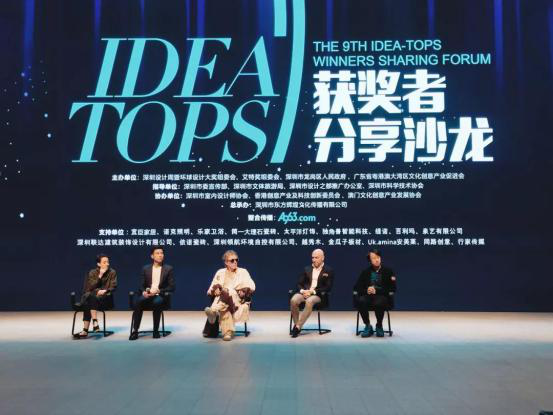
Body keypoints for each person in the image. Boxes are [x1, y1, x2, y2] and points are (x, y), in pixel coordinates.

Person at [204, 250, 255, 341]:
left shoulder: (243, 272)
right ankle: (227, 333)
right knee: (225, 305)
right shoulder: (220, 272)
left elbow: (252, 286)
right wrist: (215, 290)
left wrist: (244, 290)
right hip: (224, 300)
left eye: (236, 260)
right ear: (226, 262)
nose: (235, 262)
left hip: (237, 300)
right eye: (232, 260)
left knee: (230, 291)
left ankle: (213, 311)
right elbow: (211, 288)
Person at [129, 246, 175, 340]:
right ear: (152, 256)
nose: (160, 255)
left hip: (160, 295)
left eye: (162, 253)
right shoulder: (145, 268)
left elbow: (172, 287)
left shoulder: (168, 269)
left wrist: (159, 291)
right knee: (138, 302)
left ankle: (155, 330)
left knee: (156, 302)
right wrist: (144, 291)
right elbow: (141, 285)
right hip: (148, 295)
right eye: (157, 253)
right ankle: (135, 331)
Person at [290, 248, 334, 338]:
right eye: (312, 257)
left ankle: (297, 327)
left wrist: (312, 292)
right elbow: (299, 283)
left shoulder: (328, 270)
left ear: (322, 258)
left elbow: (328, 287)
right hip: (305, 292)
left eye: (316, 257)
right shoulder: (307, 269)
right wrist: (303, 291)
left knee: (309, 301)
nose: (314, 260)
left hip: (318, 295)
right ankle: (297, 325)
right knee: (294, 300)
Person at [354, 249, 397, 337]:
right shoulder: (365, 272)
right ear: (369, 260)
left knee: (379, 302)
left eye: (378, 257)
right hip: (368, 296)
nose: (377, 260)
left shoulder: (388, 271)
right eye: (373, 258)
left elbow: (393, 288)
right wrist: (367, 290)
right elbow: (357, 287)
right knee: (361, 300)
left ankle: (379, 325)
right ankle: (368, 325)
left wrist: (377, 291)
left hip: (382, 297)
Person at [73, 254, 117, 339]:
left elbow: (113, 286)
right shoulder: (92, 272)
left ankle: (85, 330)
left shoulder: (112, 272)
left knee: (89, 299)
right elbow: (90, 287)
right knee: (91, 298)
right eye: (104, 262)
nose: (107, 264)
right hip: (93, 298)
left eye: (108, 262)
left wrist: (105, 291)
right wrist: (100, 275)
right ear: (99, 264)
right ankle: (95, 322)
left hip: (105, 299)